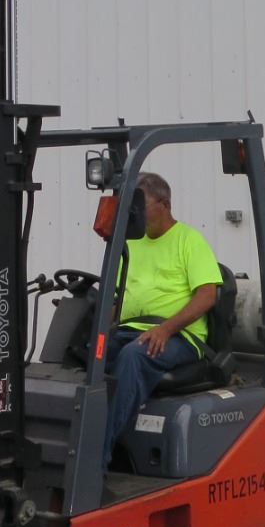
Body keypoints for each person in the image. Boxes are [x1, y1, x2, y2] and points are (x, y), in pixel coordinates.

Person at [103, 171, 221, 464]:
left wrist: (166, 329)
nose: (135, 216)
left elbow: (207, 295)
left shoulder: (189, 241)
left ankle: (96, 454)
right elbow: (118, 298)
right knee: (88, 354)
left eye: (140, 208)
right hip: (131, 330)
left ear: (165, 205)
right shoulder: (131, 244)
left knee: (133, 356)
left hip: (179, 336)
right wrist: (99, 327)